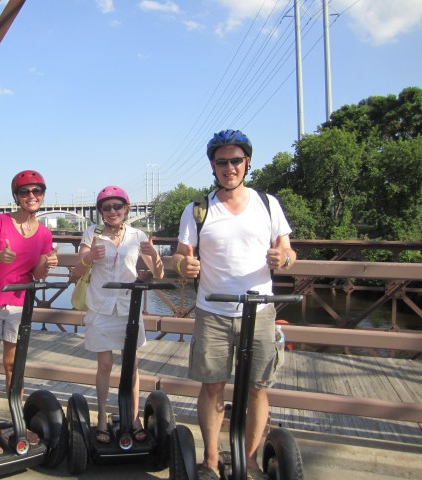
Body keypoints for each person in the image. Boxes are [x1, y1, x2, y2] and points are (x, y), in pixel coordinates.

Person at [171, 130, 296, 480]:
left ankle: (251, 461)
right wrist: (183, 266)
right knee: (212, 386)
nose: (229, 167)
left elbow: (289, 251)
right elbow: (180, 256)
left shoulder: (267, 204)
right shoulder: (198, 209)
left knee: (257, 388)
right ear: (213, 165)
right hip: (213, 311)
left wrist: (284, 259)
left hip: (260, 311)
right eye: (222, 161)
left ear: (247, 162)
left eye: (236, 160)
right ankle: (211, 460)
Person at [0, 170, 58, 456]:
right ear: (16, 196)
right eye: (25, 192)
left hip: (18, 304)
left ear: (43, 195)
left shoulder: (44, 233)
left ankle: (18, 422)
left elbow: (37, 274)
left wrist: (48, 263)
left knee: (13, 366)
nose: (31, 196)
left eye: (37, 191)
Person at [69, 186, 164, 444]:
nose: (112, 211)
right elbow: (76, 272)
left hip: (128, 307)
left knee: (131, 366)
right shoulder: (92, 233)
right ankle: (102, 417)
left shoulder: (137, 235)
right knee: (105, 365)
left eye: (117, 206)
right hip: (100, 307)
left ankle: (134, 418)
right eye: (106, 207)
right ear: (100, 211)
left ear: (126, 208)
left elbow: (158, 274)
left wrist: (154, 255)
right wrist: (89, 257)